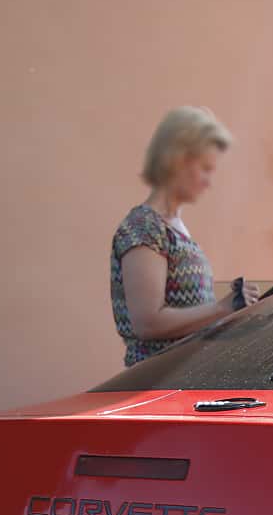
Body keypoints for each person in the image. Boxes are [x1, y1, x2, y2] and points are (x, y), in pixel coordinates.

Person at [110, 106, 259, 366]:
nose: (208, 182)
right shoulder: (144, 228)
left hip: (181, 382)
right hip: (155, 386)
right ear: (177, 161)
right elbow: (147, 322)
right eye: (205, 169)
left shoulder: (175, 228)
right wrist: (223, 308)